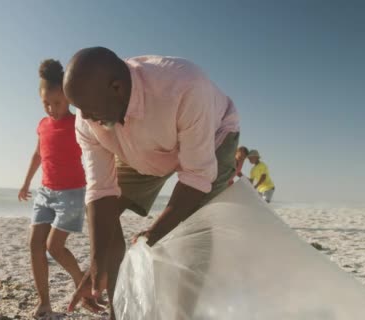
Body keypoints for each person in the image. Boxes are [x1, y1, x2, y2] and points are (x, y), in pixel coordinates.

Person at [63, 47, 240, 320]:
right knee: (105, 222)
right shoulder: (88, 118)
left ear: (117, 88)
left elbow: (196, 176)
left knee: (195, 235)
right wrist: (96, 262)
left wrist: (153, 235)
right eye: (78, 109)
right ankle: (119, 311)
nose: (84, 117)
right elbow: (101, 191)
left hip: (212, 140)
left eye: (89, 109)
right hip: (142, 150)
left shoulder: (185, 86)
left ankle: (184, 314)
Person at [18, 59, 103, 318]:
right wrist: (25, 183)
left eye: (57, 103)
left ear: (68, 99)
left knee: (54, 247)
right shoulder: (43, 125)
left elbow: (98, 149)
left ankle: (82, 283)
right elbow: (38, 155)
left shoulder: (79, 122)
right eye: (46, 103)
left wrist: (99, 189)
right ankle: (44, 303)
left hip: (72, 193)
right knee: (35, 244)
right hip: (45, 192)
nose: (51, 108)